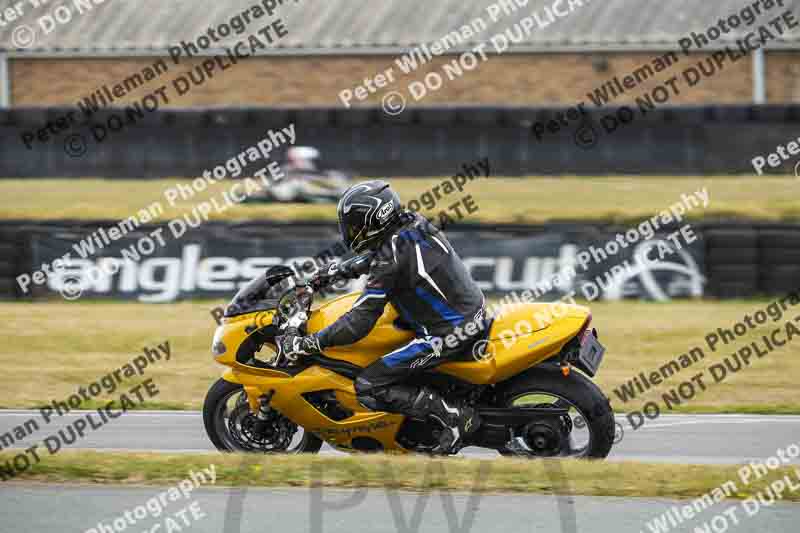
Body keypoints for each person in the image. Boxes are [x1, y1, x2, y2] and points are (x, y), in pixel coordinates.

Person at [277, 180, 486, 453]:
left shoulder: (391, 259)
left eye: (353, 225)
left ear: (373, 221)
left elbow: (359, 322)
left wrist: (312, 343)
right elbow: (376, 257)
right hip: (468, 313)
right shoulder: (411, 225)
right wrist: (336, 272)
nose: (349, 232)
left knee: (369, 384)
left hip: (449, 332)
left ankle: (454, 417)